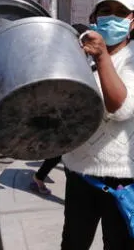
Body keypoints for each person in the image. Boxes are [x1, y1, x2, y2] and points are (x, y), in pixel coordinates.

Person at [60, 0, 134, 250]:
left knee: (118, 245)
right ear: (94, 17)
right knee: (73, 243)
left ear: (133, 21)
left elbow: (122, 108)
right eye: (105, 11)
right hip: (81, 173)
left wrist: (102, 56)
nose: (112, 17)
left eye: (121, 13)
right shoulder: (79, 54)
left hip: (122, 177)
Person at [30, 23, 92, 196]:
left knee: (65, 150)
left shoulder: (84, 56)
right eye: (83, 40)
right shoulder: (61, 58)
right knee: (65, 149)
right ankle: (42, 178)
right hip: (61, 111)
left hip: (76, 111)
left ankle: (40, 177)